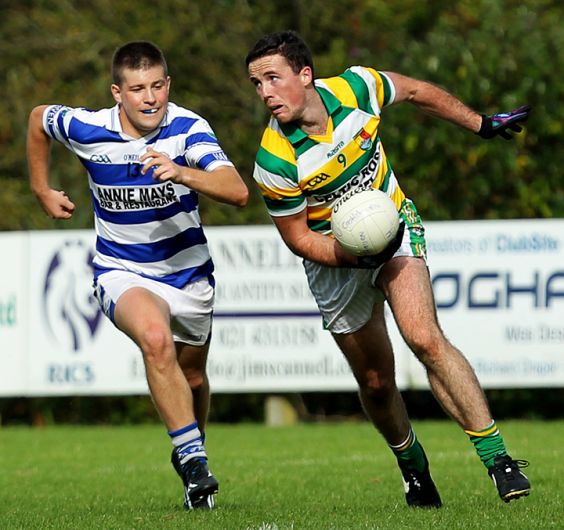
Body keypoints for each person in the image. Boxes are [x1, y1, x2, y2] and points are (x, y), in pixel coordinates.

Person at [245, 30, 531, 507]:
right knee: (377, 383)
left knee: (424, 337)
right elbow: (299, 239)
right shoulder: (275, 159)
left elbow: (418, 92)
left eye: (273, 79)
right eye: (256, 84)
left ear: (305, 74)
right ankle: (413, 467)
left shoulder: (359, 88)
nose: (265, 93)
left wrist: (480, 124)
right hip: (336, 262)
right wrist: (356, 255)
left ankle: (499, 460)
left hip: (395, 228)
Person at [27, 40, 249, 510]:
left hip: (189, 275)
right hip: (121, 270)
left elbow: (237, 190)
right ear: (117, 93)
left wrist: (183, 173)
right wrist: (41, 188)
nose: (149, 99)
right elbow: (38, 117)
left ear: (168, 86)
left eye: (157, 87)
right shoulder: (86, 127)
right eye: (137, 89)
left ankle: (194, 451)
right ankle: (192, 461)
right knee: (154, 338)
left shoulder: (188, 129)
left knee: (191, 381)